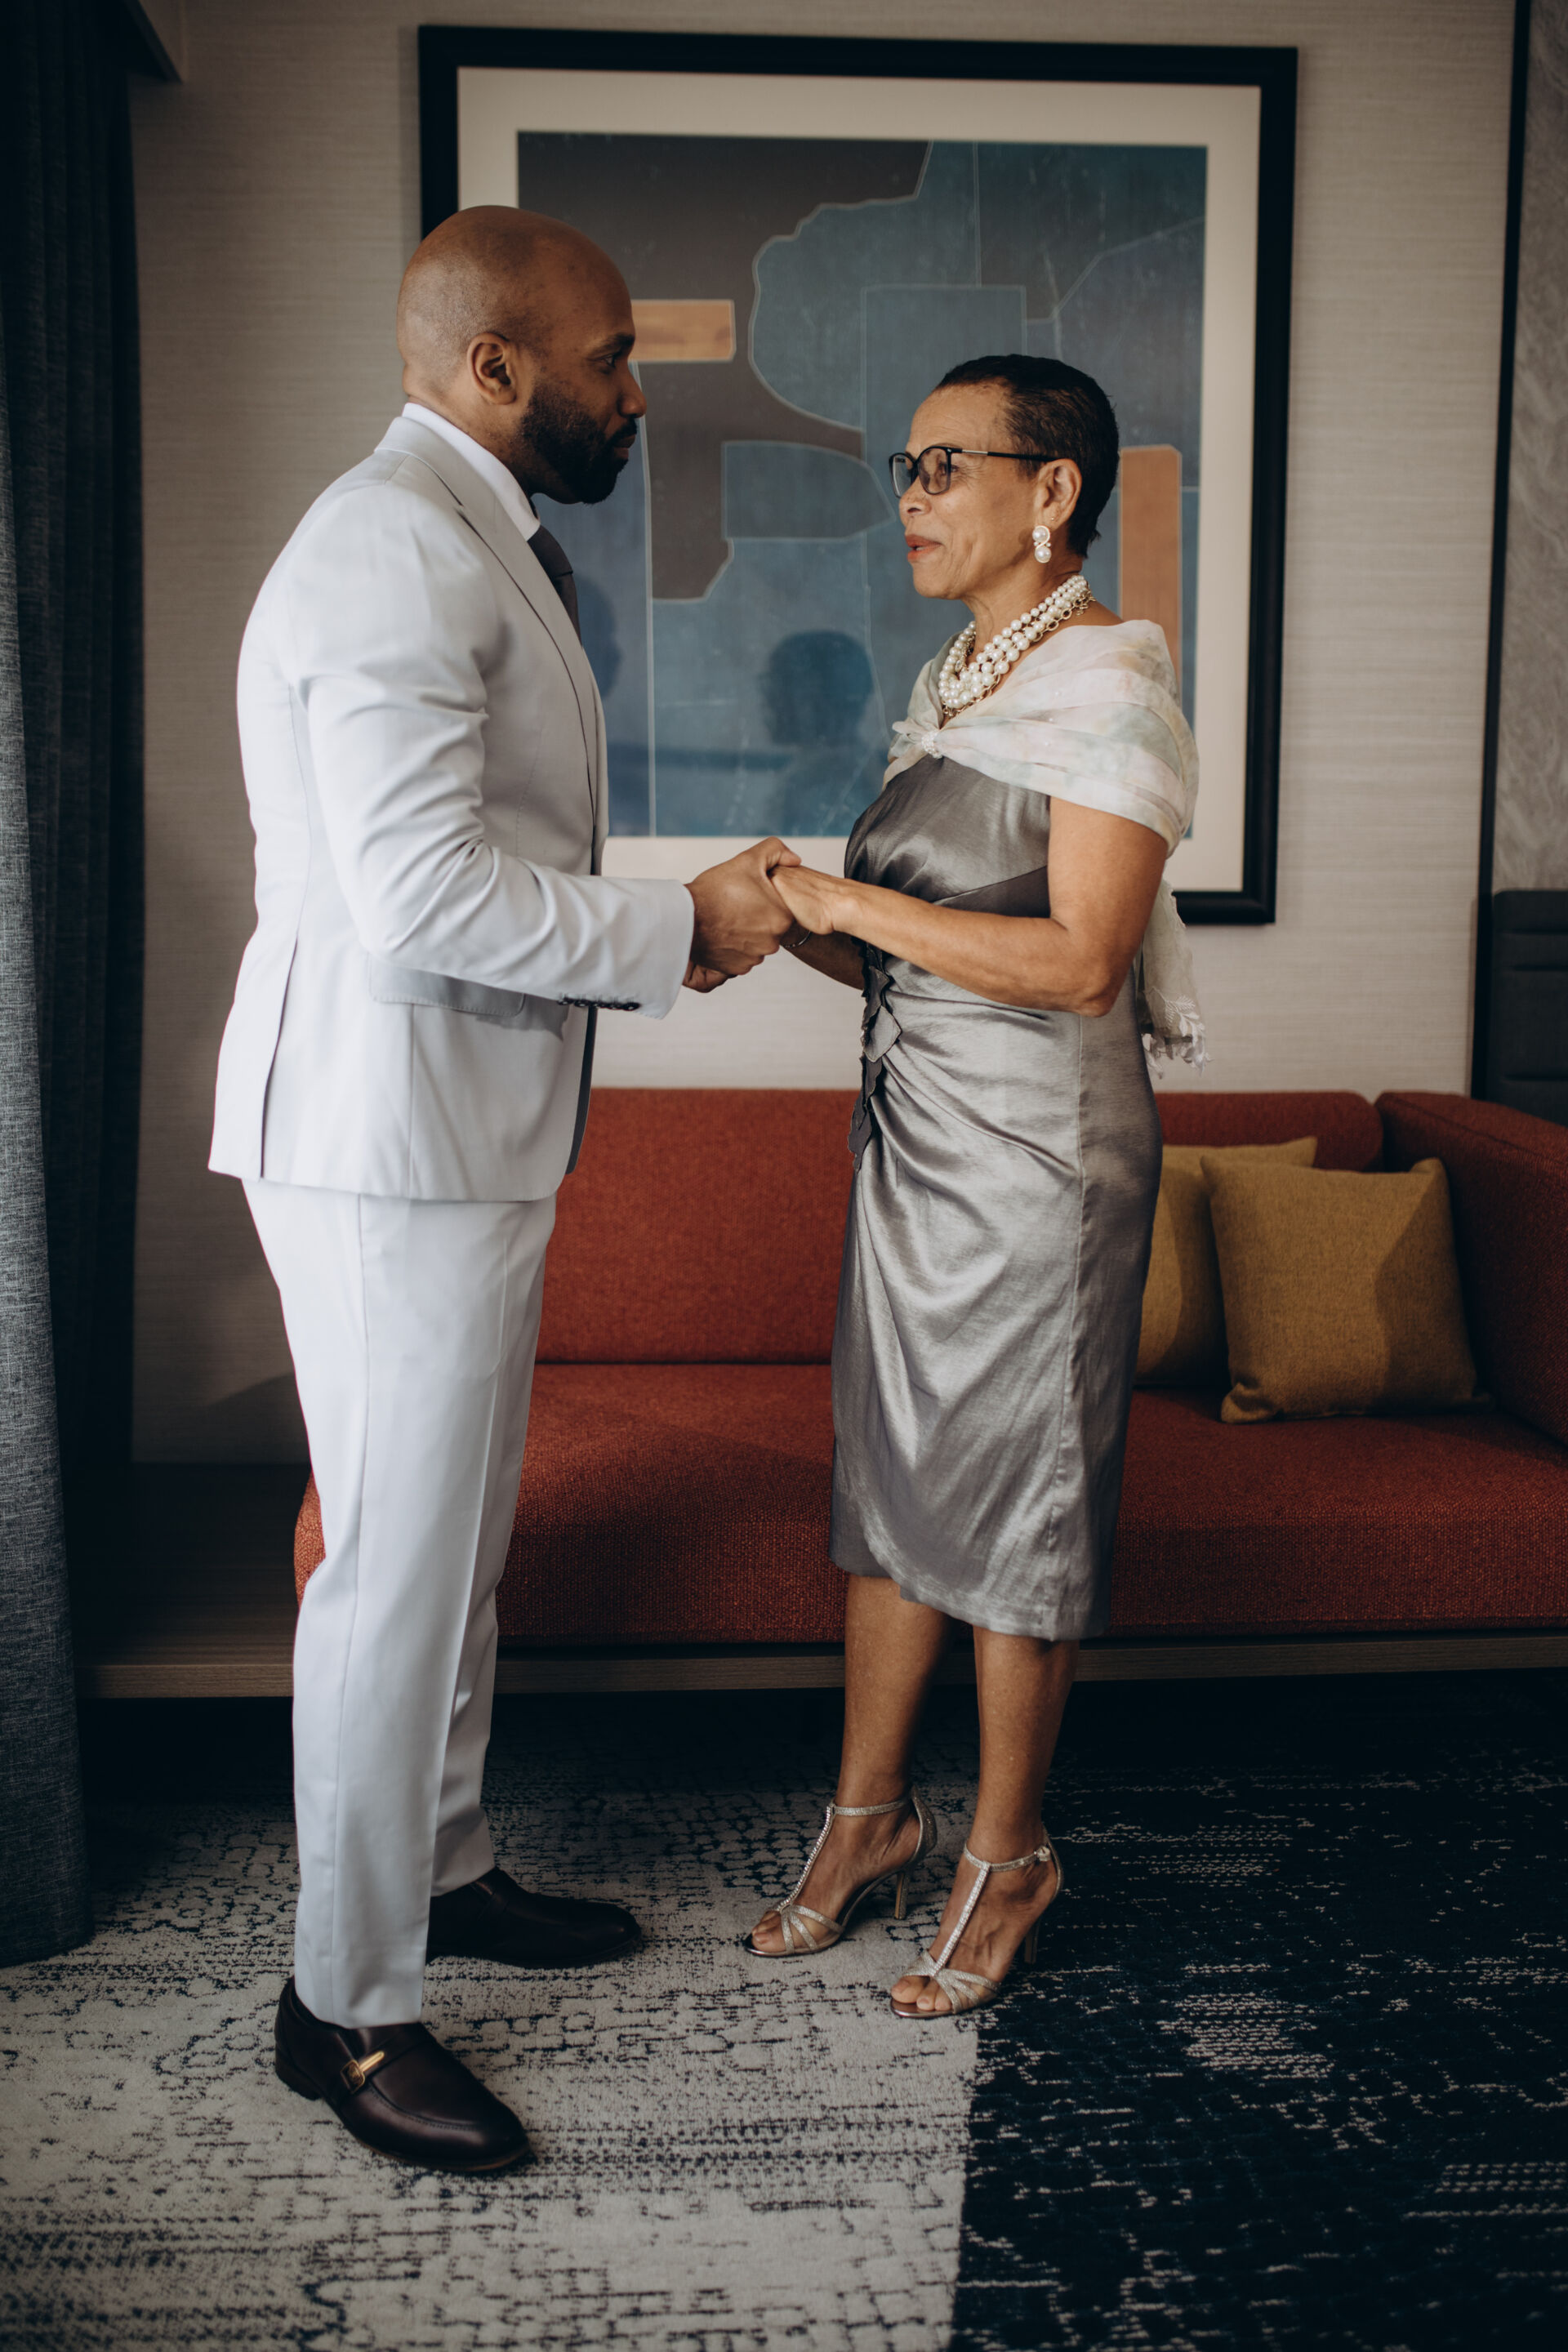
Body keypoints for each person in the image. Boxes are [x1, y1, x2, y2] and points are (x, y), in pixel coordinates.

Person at [210, 207, 797, 2172]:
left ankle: (444, 1869)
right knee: (392, 1570)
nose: (637, 393)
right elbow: (419, 892)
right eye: (613, 359)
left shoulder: (461, 531)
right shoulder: (393, 546)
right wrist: (681, 926)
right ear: (494, 368)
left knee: (450, 1547)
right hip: (387, 1137)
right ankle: (344, 2010)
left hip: (449, 1124)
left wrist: (673, 930)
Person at [745, 354, 1201, 2017]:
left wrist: (844, 902)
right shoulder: (954, 686)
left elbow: (1079, 962)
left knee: (1018, 1502)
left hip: (1041, 1167)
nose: (914, 499)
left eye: (947, 466)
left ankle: (1008, 1856)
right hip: (918, 1141)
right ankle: (869, 1818)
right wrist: (779, 915)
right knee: (888, 1486)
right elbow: (921, 963)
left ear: (1052, 490)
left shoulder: (1114, 685)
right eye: (907, 468)